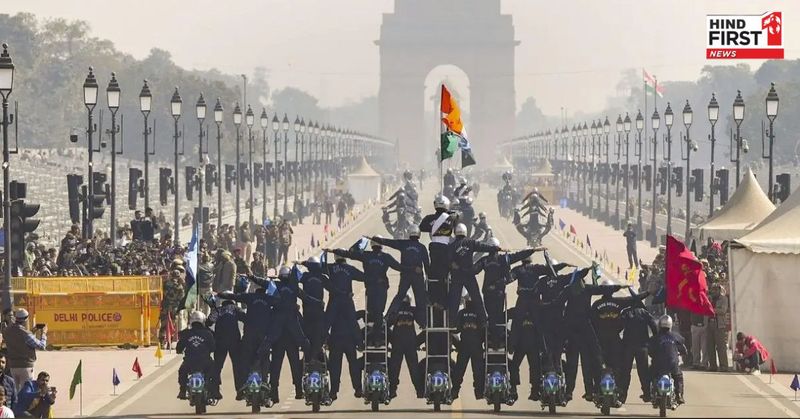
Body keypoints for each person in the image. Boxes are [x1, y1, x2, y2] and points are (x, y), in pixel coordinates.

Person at [372, 226, 430, 322]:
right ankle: (423, 322)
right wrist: (428, 278)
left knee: (399, 296)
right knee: (420, 299)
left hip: (405, 275)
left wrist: (379, 240)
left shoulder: (404, 244)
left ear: (409, 233)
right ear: (419, 234)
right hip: (417, 276)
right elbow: (427, 265)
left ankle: (387, 318)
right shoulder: (422, 247)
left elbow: (391, 243)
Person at [447, 223, 501, 324]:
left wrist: (453, 265)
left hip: (457, 276)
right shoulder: (470, 243)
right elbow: (483, 247)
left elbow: (448, 261)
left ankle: (451, 323)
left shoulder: (451, 246)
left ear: (455, 232)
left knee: (454, 300)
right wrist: (496, 248)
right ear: (465, 232)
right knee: (477, 299)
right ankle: (484, 321)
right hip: (469, 275)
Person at [619, 299, 657, 404]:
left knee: (625, 372)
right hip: (642, 346)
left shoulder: (626, 312)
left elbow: (619, 327)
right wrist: (654, 340)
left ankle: (622, 396)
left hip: (628, 346)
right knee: (644, 372)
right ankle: (647, 394)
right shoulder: (644, 313)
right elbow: (654, 326)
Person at [386, 293, 424, 399]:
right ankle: (419, 391)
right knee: (414, 368)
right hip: (410, 343)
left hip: (397, 343)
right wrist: (417, 342)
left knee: (394, 368)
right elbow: (423, 322)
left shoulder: (396, 310)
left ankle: (392, 390)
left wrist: (392, 340)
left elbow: (387, 324)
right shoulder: (413, 310)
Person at [206, 299, 245, 398]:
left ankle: (215, 391)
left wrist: (213, 334)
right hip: (234, 341)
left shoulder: (218, 310)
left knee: (217, 367)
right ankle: (240, 390)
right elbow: (245, 318)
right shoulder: (235, 309)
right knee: (237, 366)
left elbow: (208, 322)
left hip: (220, 341)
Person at [176, 311, 219, 400]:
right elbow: (213, 347)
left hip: (189, 362)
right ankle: (215, 391)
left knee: (182, 372)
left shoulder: (186, 333)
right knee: (215, 371)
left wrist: (179, 350)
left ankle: (182, 391)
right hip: (205, 362)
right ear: (203, 321)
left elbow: (179, 347)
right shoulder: (208, 333)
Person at [2, 309, 46, 391]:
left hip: (13, 366)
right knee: (26, 391)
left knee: (15, 391)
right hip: (26, 366)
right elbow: (41, 346)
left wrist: (33, 330)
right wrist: (44, 334)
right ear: (26, 319)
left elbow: (19, 339)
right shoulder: (25, 333)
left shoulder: (7, 331)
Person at [451, 293, 485, 400]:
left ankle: (455, 391)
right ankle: (479, 393)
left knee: (459, 370)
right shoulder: (480, 313)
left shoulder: (461, 313)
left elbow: (455, 329)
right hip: (476, 346)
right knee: (478, 371)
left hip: (464, 346)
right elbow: (484, 329)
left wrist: (457, 344)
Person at [647, 315, 687, 405]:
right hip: (673, 364)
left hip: (658, 364)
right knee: (678, 377)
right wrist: (681, 353)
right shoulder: (676, 336)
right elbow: (684, 350)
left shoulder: (655, 338)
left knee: (649, 375)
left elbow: (650, 350)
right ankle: (679, 395)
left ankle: (648, 394)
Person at [705, 283, 730, 372]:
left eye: (716, 289)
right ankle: (713, 366)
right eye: (713, 289)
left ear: (719, 290)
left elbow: (723, 310)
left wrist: (712, 310)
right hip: (709, 323)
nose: (714, 291)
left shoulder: (723, 299)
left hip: (719, 324)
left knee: (721, 347)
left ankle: (724, 366)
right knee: (710, 346)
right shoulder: (709, 298)